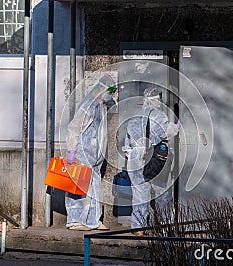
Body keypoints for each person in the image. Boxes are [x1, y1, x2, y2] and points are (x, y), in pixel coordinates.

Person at [123, 87, 179, 235]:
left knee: (140, 194)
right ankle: (166, 226)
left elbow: (127, 143)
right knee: (162, 192)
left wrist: (134, 154)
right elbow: (164, 134)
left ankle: (139, 227)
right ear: (153, 100)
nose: (159, 102)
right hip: (153, 158)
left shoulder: (134, 118)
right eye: (157, 99)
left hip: (135, 158)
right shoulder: (159, 116)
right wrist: (176, 127)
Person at [65, 75, 117, 231]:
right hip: (82, 151)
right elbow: (75, 128)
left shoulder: (100, 105)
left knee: (94, 187)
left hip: (94, 154)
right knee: (79, 186)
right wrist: (72, 150)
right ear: (102, 89)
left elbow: (112, 107)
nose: (112, 94)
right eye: (111, 91)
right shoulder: (88, 105)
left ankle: (93, 220)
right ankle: (75, 220)